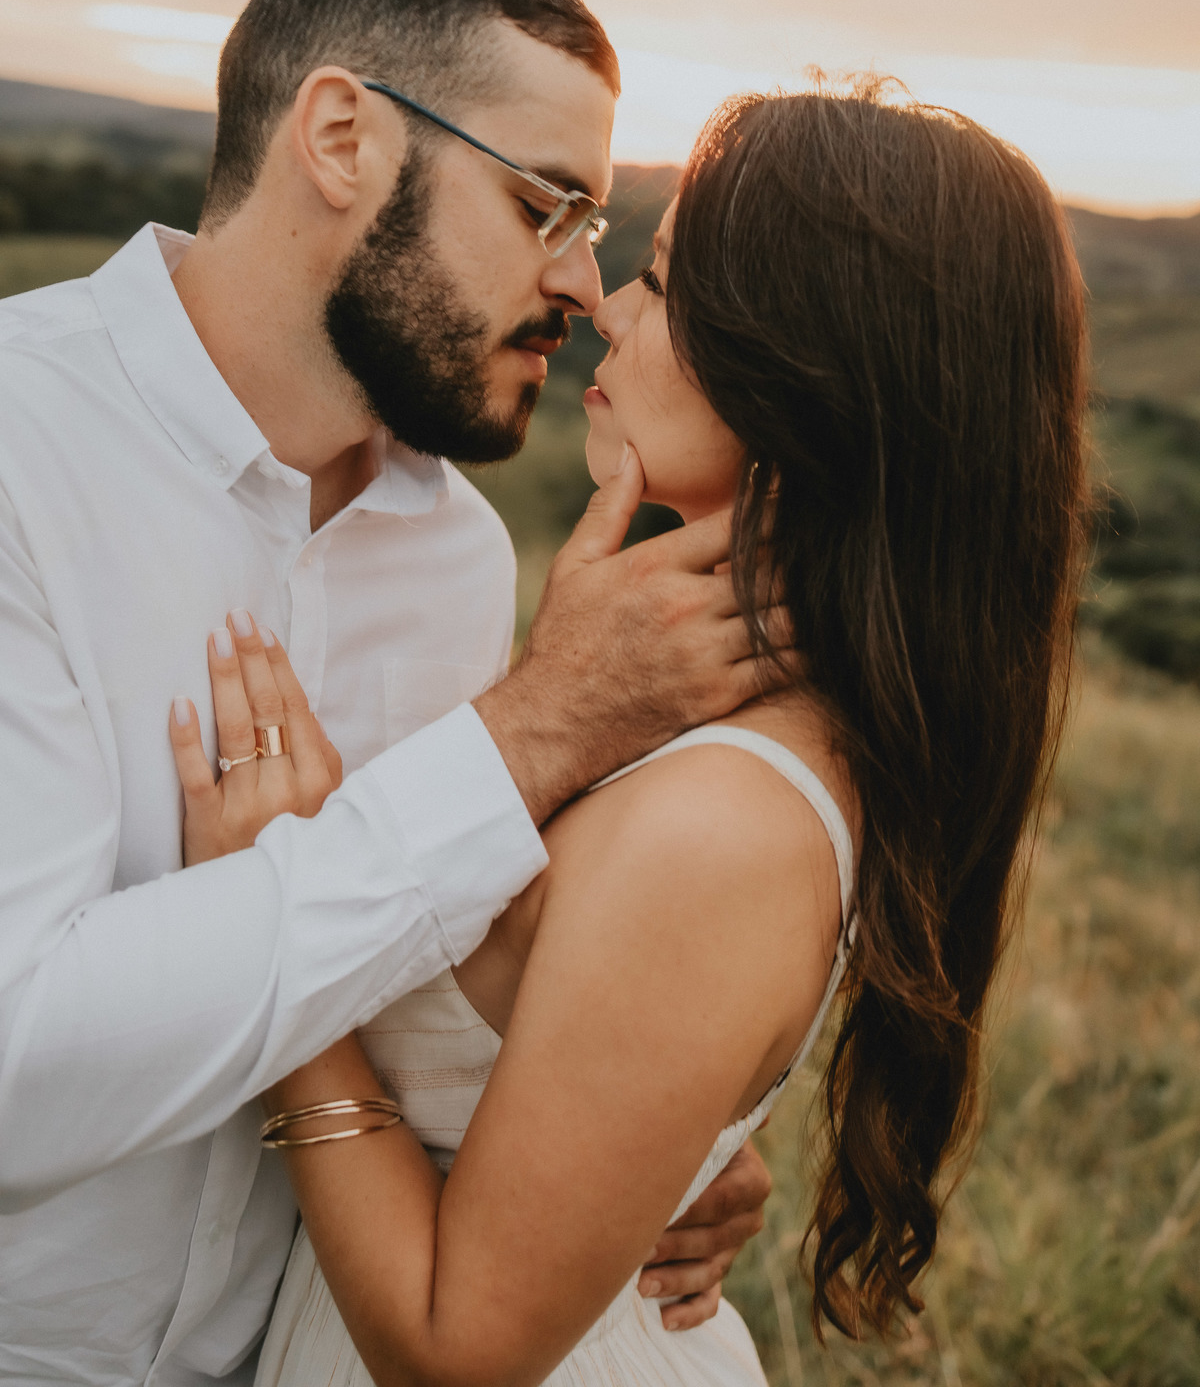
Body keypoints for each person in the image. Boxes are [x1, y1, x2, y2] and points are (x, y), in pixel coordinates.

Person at [169, 81, 1089, 1385]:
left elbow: (457, 1349)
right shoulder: (689, 708)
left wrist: (282, 938)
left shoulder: (720, 823)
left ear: (803, 380)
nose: (608, 309)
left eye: (663, 286)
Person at [0, 0, 773, 1386]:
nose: (580, 286)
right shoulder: (17, 457)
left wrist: (638, 1135)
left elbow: (415, 978)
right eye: (545, 204)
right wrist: (526, 741)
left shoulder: (458, 555)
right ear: (342, 139)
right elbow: (14, 1079)